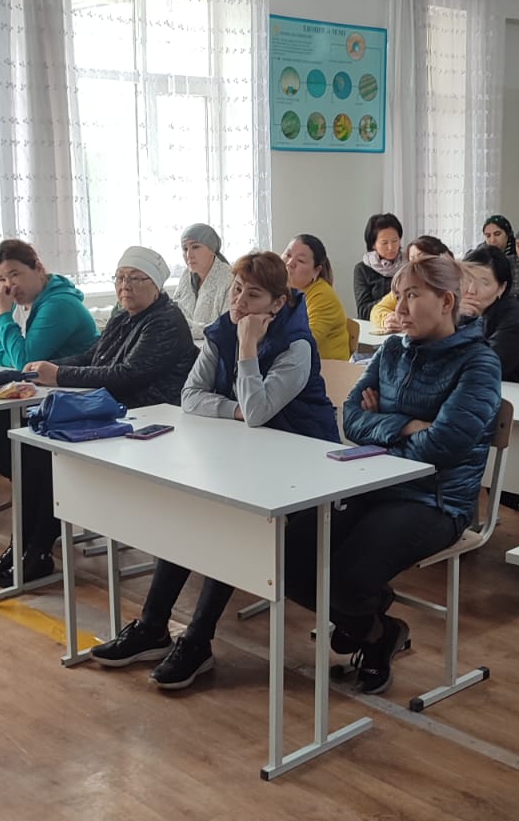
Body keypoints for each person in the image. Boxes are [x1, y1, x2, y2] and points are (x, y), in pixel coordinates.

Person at [88, 253, 339, 689]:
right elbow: (191, 396)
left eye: (253, 295)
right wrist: (234, 410)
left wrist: (247, 349)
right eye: (237, 289)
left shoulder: (296, 344)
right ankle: (152, 626)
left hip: (304, 470)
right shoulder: (222, 330)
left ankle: (198, 639)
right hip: (249, 456)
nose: (239, 301)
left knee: (228, 522)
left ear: (278, 303)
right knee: (191, 513)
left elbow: (258, 411)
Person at [281, 254, 502, 694]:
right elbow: (351, 417)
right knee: (289, 555)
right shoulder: (393, 349)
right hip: (371, 482)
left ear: (446, 302)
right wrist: (405, 425)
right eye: (398, 296)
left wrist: (385, 421)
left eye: (412, 296)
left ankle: (370, 627)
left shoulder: (479, 363)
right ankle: (375, 626)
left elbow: (445, 444)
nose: (399, 309)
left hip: (433, 499)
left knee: (347, 578)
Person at [0, 247, 197, 587]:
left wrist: (58, 375)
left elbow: (126, 375)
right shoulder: (123, 315)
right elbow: (93, 357)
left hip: (147, 420)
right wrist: (45, 369)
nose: (125, 286)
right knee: (31, 447)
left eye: (135, 279)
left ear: (156, 285)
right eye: (120, 278)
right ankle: (22, 545)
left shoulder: (166, 321)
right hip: (116, 412)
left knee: (48, 456)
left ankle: (37, 551)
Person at [0, 238, 97, 367]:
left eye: (15, 275)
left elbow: (24, 362)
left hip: (78, 378)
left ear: (38, 268)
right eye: (2, 279)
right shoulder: (11, 302)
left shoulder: (60, 304)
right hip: (40, 379)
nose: (9, 285)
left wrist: (4, 316)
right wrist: (11, 358)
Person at [460, 244, 519, 384]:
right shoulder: (460, 311)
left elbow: (484, 366)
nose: (471, 290)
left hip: (516, 392)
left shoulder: (513, 316)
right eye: (468, 280)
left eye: (483, 283)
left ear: (501, 288)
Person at [284, 234, 351, 359]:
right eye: (288, 255)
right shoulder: (281, 289)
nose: (290, 263)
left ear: (316, 270)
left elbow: (305, 341)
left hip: (328, 367)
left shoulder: (323, 296)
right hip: (297, 363)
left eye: (300, 261)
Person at [369, 235, 451, 332]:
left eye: (422, 257)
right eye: (412, 259)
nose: (416, 264)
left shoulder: (451, 283)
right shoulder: (405, 286)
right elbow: (378, 309)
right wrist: (387, 319)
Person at [172, 222, 232, 341]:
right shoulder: (186, 275)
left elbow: (225, 327)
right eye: (185, 249)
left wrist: (184, 327)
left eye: (195, 247)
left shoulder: (230, 278)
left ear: (212, 249)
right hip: (183, 344)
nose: (189, 255)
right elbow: (173, 312)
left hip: (214, 347)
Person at [353, 213, 405, 318]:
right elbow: (363, 311)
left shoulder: (409, 265)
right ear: (373, 245)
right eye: (384, 243)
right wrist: (394, 300)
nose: (391, 247)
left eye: (395, 241)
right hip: (374, 324)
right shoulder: (362, 269)